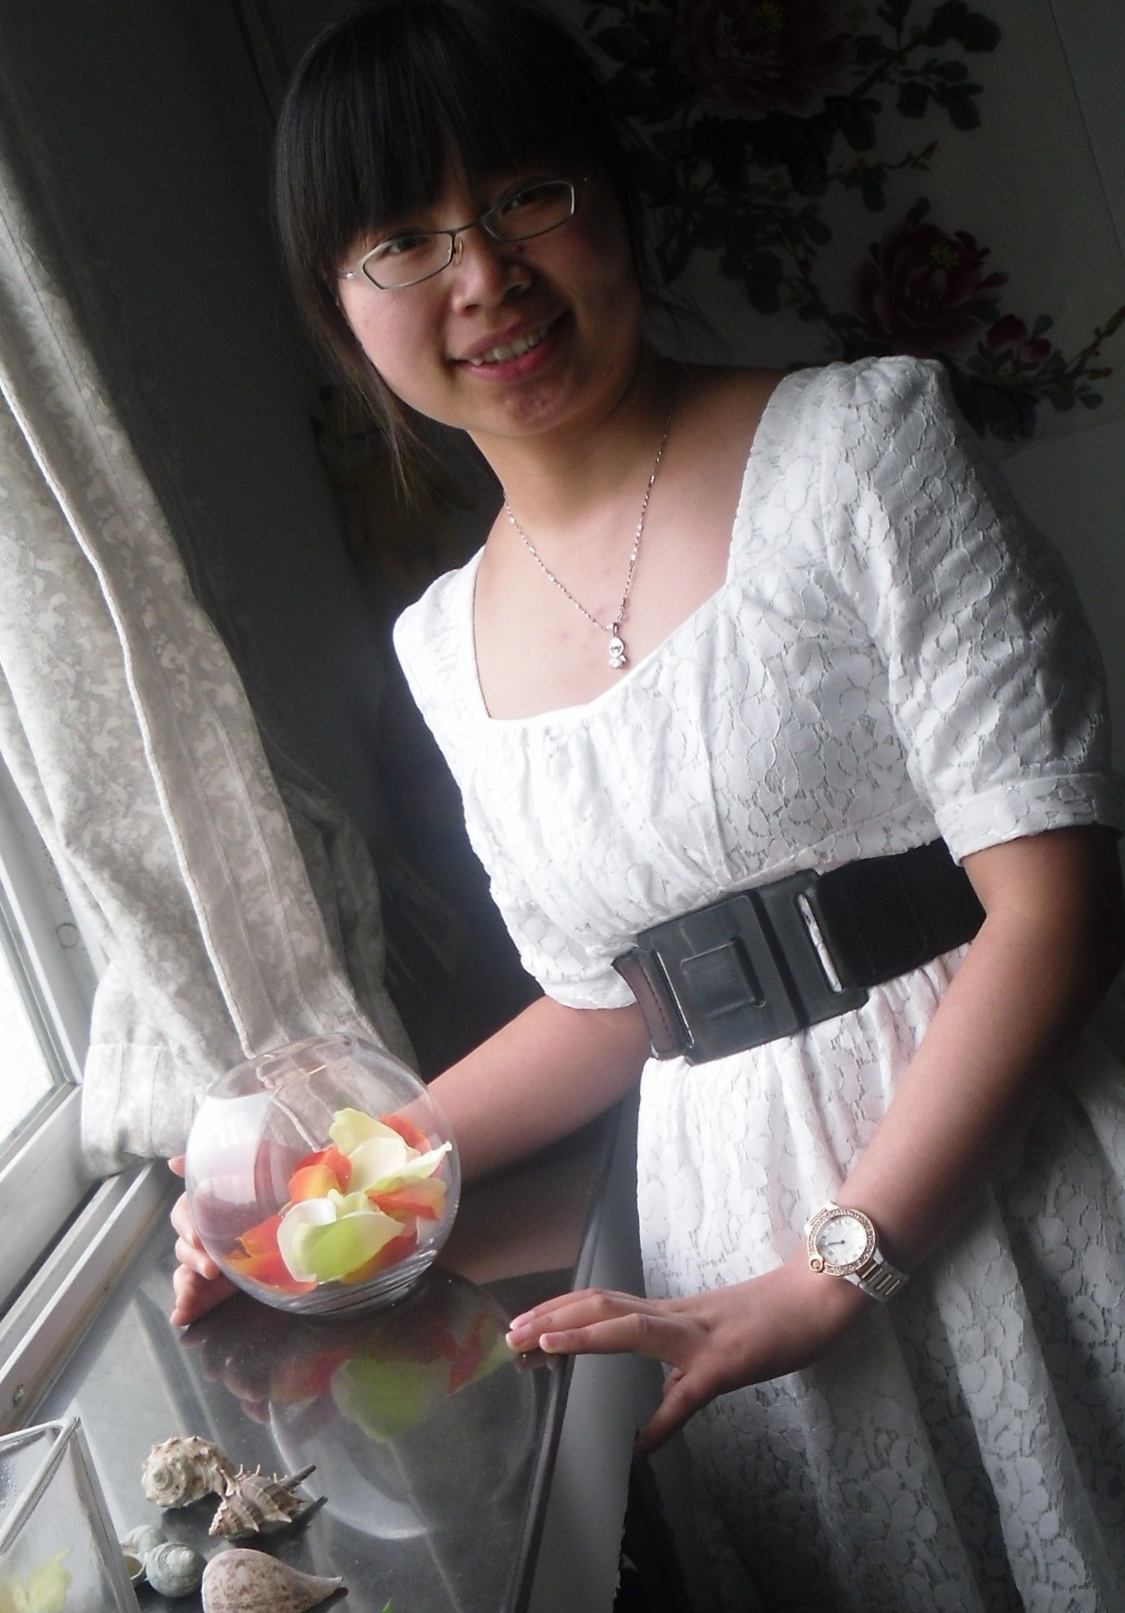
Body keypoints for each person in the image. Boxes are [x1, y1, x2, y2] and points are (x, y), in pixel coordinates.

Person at [169, 2, 1125, 1607]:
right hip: (715, 1255)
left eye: (524, 196)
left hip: (1016, 1190)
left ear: (616, 197)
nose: (484, 276)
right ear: (342, 310)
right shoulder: (439, 649)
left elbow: (1059, 901)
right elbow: (606, 1002)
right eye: (402, 240)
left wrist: (829, 1274)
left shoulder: (863, 446)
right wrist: (321, 1188)